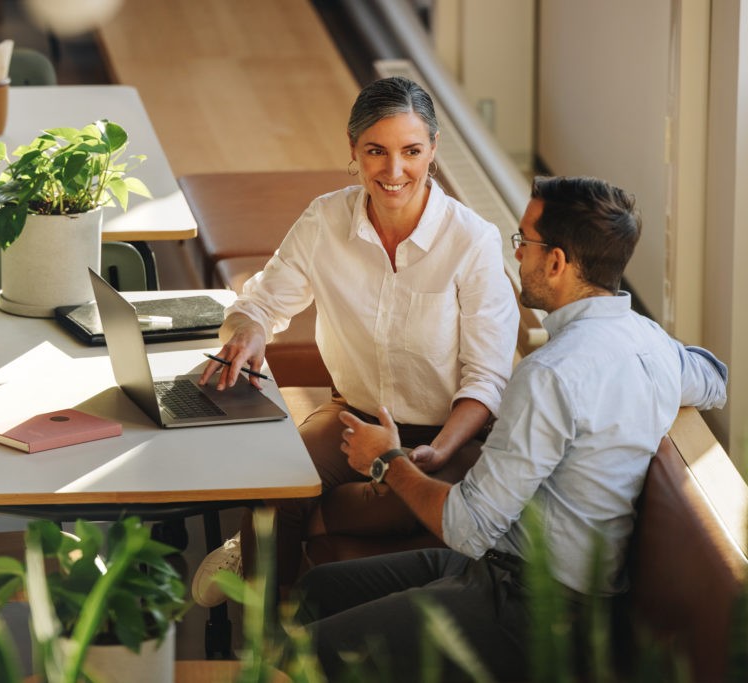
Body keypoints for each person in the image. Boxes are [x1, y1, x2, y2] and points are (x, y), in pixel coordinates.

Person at [294, 175, 729, 680]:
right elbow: (714, 379)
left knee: (307, 652)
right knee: (317, 588)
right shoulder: (650, 343)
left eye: (523, 241)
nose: (516, 254)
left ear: (557, 262)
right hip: (517, 575)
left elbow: (465, 527)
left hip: (532, 610)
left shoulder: (549, 375)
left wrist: (387, 460)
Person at [191, 76, 520, 607]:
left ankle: (292, 526)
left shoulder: (472, 241)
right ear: (353, 150)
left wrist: (432, 453)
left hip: (449, 434)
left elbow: (486, 379)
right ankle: (265, 643)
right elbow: (262, 302)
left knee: (399, 499)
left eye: (412, 151)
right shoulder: (325, 219)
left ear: (433, 150)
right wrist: (250, 331)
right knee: (273, 480)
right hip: (352, 417)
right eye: (376, 151)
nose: (394, 171)